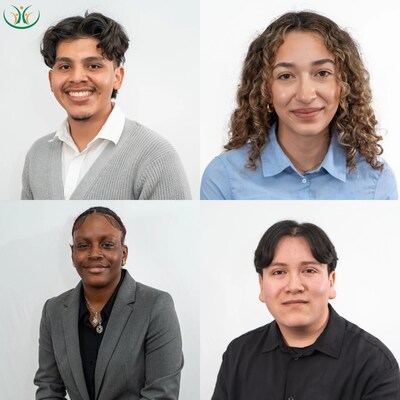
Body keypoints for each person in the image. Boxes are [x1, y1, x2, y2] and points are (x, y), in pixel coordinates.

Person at [201, 11, 397, 200]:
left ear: (345, 84)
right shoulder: (224, 177)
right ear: (264, 89)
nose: (305, 95)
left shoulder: (377, 181)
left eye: (322, 73)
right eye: (286, 76)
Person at [212, 220, 400, 399]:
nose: (294, 286)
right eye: (279, 272)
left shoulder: (374, 363)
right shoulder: (238, 354)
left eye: (309, 270)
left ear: (331, 281)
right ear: (261, 285)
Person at [22, 12, 191, 200]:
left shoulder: (156, 157)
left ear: (117, 78)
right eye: (65, 67)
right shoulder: (37, 154)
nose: (77, 77)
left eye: (93, 66)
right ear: (51, 79)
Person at [34, 206, 183, 400]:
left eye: (107, 245)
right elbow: (48, 388)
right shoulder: (53, 311)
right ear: (72, 254)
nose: (95, 253)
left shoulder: (156, 306)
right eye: (83, 245)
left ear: (124, 253)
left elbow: (162, 394)